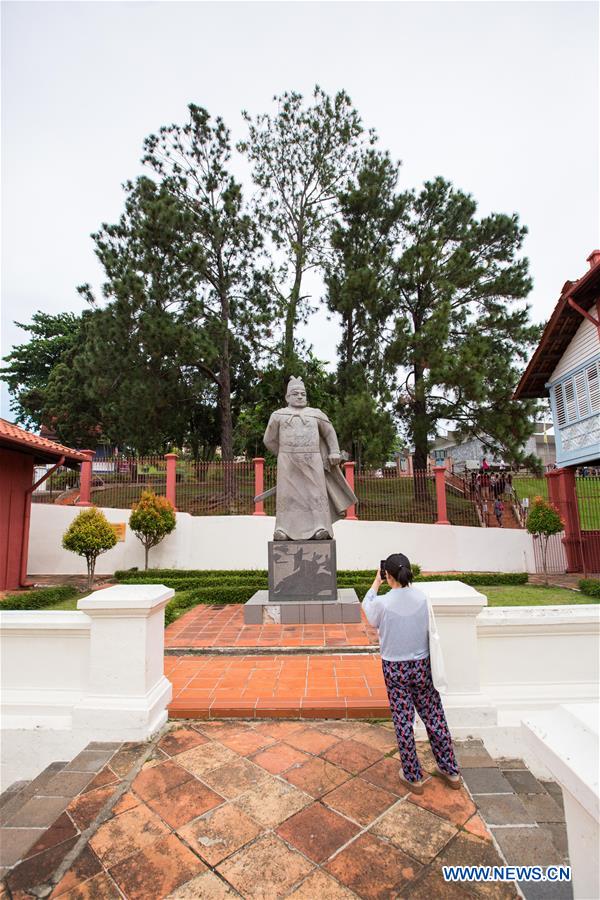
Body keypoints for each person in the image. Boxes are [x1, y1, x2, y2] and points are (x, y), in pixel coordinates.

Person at [362, 553, 461, 794]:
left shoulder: (383, 603)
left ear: (388, 575)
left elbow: (368, 609)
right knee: (434, 716)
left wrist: (376, 582)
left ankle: (413, 776)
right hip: (421, 666)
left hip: (395, 667)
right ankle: (450, 770)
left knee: (403, 721)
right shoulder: (422, 598)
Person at [263, 377, 357, 541]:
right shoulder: (278, 415)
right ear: (287, 397)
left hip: (313, 460)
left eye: (303, 393)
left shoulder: (316, 414)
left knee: (315, 494)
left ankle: (320, 527)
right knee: (287, 496)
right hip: (288, 463)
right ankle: (282, 529)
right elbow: (269, 440)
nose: (300, 396)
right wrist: (284, 454)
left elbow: (329, 432)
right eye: (295, 393)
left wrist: (334, 451)